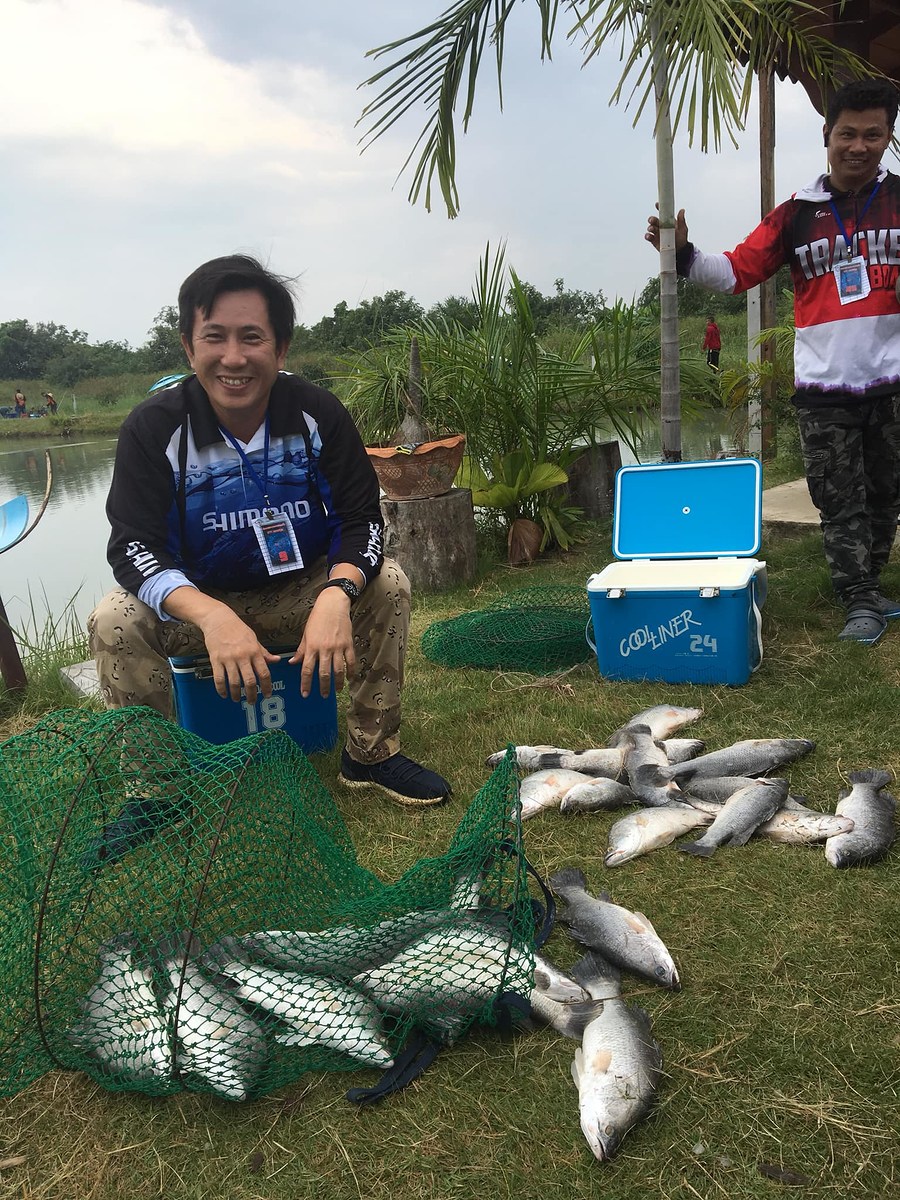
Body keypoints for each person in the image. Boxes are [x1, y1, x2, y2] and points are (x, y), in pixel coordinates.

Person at [88, 254, 451, 809]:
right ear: (189, 346)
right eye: (215, 337)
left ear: (280, 348)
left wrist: (338, 593)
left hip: (299, 593)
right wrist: (211, 616)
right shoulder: (154, 427)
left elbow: (362, 522)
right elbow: (133, 547)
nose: (233, 358)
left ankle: (371, 753)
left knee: (389, 582)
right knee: (115, 617)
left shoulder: (317, 413)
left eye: (251, 337)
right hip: (198, 605)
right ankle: (157, 791)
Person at [646, 77, 900, 646]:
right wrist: (682, 253)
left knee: (886, 494)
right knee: (840, 499)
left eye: (873, 135)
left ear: (887, 137)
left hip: (891, 382)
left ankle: (872, 584)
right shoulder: (796, 216)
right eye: (847, 134)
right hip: (825, 389)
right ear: (827, 136)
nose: (859, 146)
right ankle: (856, 597)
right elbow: (736, 271)